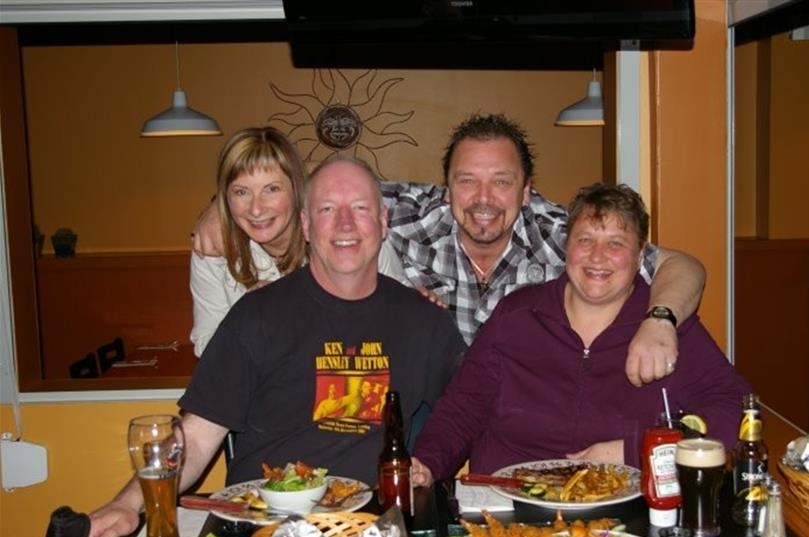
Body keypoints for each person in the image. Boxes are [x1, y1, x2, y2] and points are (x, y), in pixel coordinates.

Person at [88, 157, 465, 537]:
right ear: (304, 225)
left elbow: (471, 412)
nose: (345, 224)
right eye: (327, 210)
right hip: (259, 535)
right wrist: (128, 503)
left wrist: (434, 464)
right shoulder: (255, 316)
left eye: (360, 209)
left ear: (383, 222)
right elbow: (198, 437)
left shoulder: (426, 323)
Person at [194, 114, 706, 386]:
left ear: (527, 191)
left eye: (502, 183)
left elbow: (682, 265)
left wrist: (660, 319)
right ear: (445, 187)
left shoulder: (563, 235)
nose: (483, 200)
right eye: (467, 182)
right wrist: (222, 209)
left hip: (524, 412)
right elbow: (312, 192)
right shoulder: (403, 210)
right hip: (422, 406)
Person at [410, 183, 748, 484]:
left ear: (641, 255)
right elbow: (462, 409)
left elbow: (736, 409)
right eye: (585, 240)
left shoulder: (666, 328)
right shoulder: (517, 316)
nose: (597, 257)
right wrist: (426, 464)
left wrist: (636, 450)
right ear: (566, 247)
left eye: (616, 243)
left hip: (626, 517)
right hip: (511, 511)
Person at [190, 126, 407, 356]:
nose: (256, 209)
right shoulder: (212, 250)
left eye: (271, 189)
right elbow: (205, 347)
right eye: (241, 192)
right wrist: (248, 316)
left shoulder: (348, 241)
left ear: (296, 190)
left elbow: (399, 321)